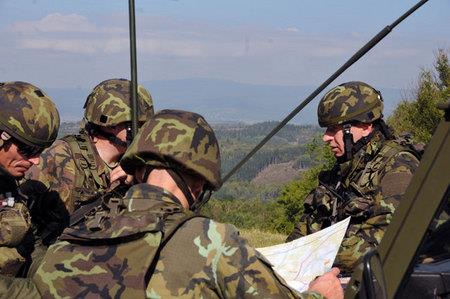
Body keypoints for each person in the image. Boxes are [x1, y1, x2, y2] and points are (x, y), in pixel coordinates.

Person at [23, 110, 343, 299]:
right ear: (198, 181)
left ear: (136, 168)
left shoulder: (72, 236)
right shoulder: (212, 242)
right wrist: (321, 292)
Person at [286, 81, 420, 274]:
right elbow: (305, 228)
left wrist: (310, 257)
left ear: (365, 126)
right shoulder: (343, 171)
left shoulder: (398, 167)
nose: (326, 137)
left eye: (334, 129)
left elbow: (384, 241)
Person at [25, 78, 154, 244]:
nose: (143, 132)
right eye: (138, 125)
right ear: (111, 124)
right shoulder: (59, 158)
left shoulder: (138, 164)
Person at [0, 81, 60, 277]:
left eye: (39, 151)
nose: (35, 160)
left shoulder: (8, 182)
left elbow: (29, 247)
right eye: (27, 149)